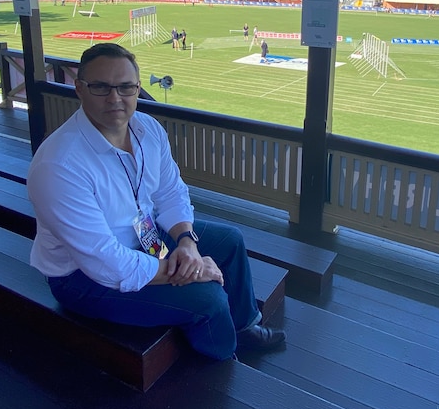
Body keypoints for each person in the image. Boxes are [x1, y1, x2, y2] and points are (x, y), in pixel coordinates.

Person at [27, 43, 284, 360]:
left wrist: (187, 244)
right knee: (210, 299)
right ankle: (222, 366)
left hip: (142, 237)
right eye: (100, 87)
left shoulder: (147, 129)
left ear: (137, 88)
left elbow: (170, 191)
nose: (115, 98)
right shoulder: (59, 165)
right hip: (82, 277)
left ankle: (244, 327)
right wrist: (190, 272)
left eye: (125, 87)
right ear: (79, 88)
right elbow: (104, 262)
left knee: (230, 240)